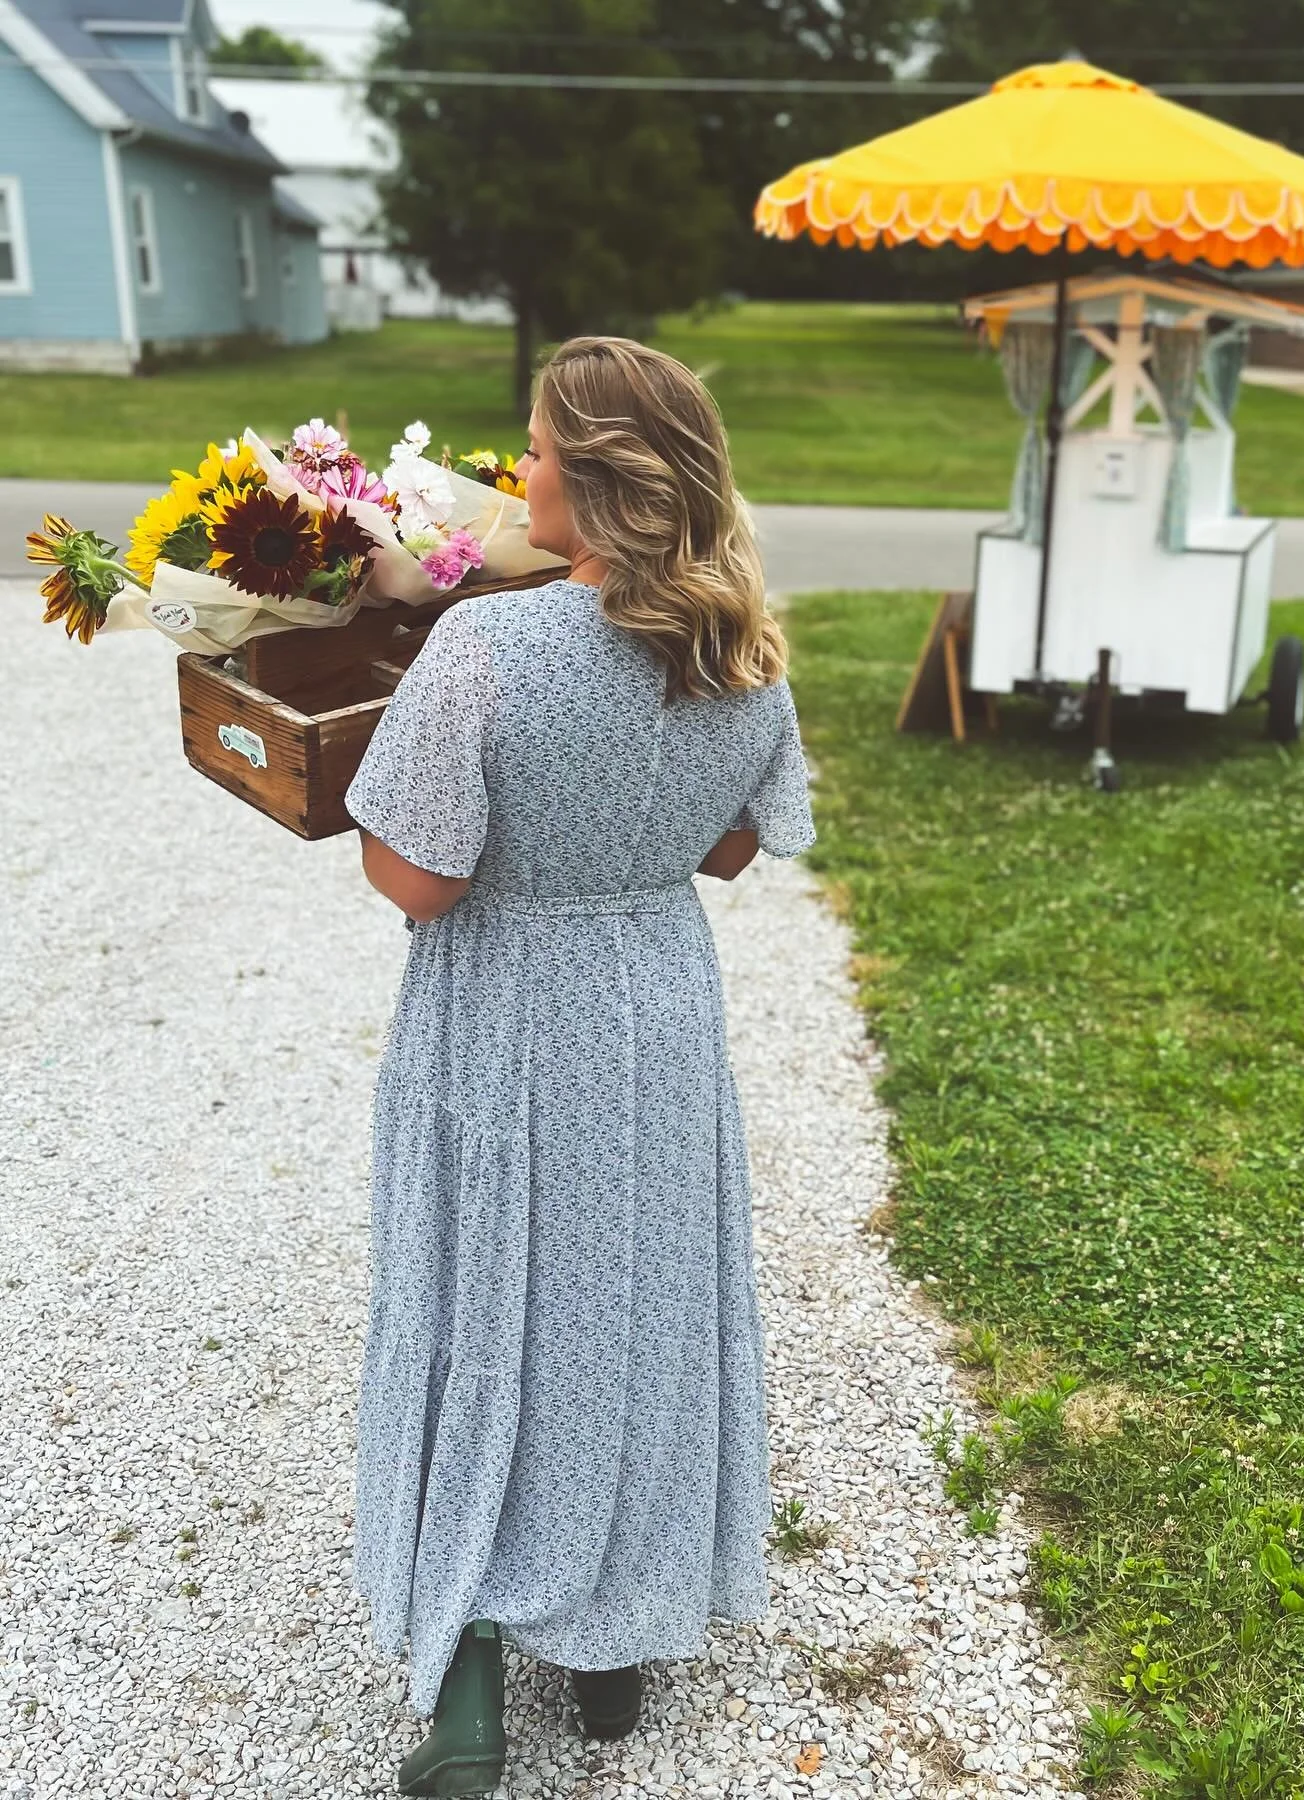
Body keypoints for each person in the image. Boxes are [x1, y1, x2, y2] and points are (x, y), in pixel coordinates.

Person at [343, 336, 816, 1797]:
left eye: (537, 446)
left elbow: (415, 882)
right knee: (632, 1307)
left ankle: (471, 1681)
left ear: (599, 478)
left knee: (482, 1303)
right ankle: (612, 1654)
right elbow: (734, 849)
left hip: (507, 1009)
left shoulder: (483, 648)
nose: (518, 469)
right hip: (658, 1013)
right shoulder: (742, 653)